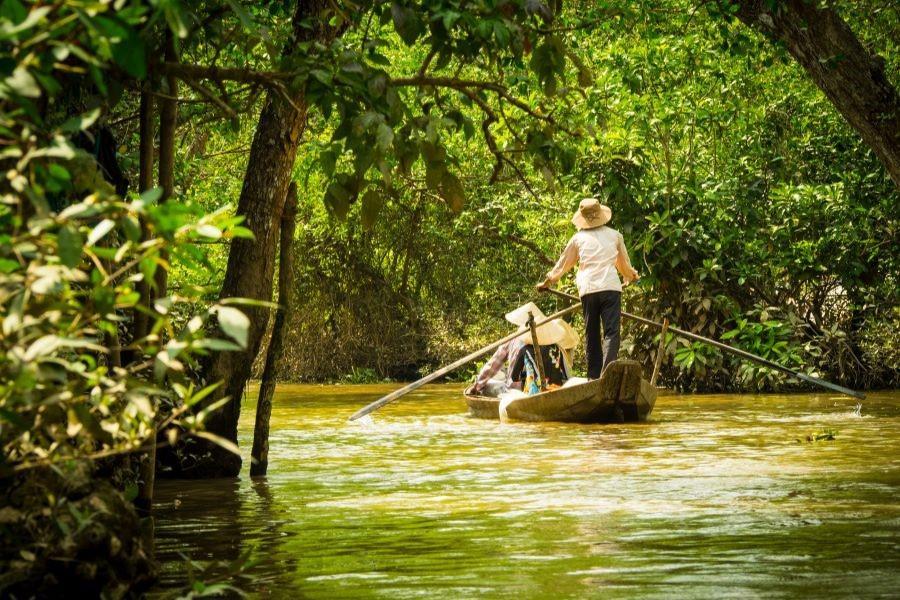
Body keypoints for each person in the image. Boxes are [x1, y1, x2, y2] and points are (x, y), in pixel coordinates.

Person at [537, 198, 639, 379]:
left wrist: (548, 281)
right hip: (610, 288)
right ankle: (607, 375)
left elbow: (563, 264)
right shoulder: (615, 235)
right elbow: (623, 265)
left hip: (589, 289)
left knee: (591, 333)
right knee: (611, 333)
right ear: (601, 215)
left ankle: (593, 376)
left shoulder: (578, 239)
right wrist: (631, 276)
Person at [472, 302, 575, 396]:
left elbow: (500, 369)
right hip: (554, 388)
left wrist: (477, 386)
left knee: (492, 385)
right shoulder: (556, 346)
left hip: (523, 391)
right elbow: (567, 374)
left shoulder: (516, 343)